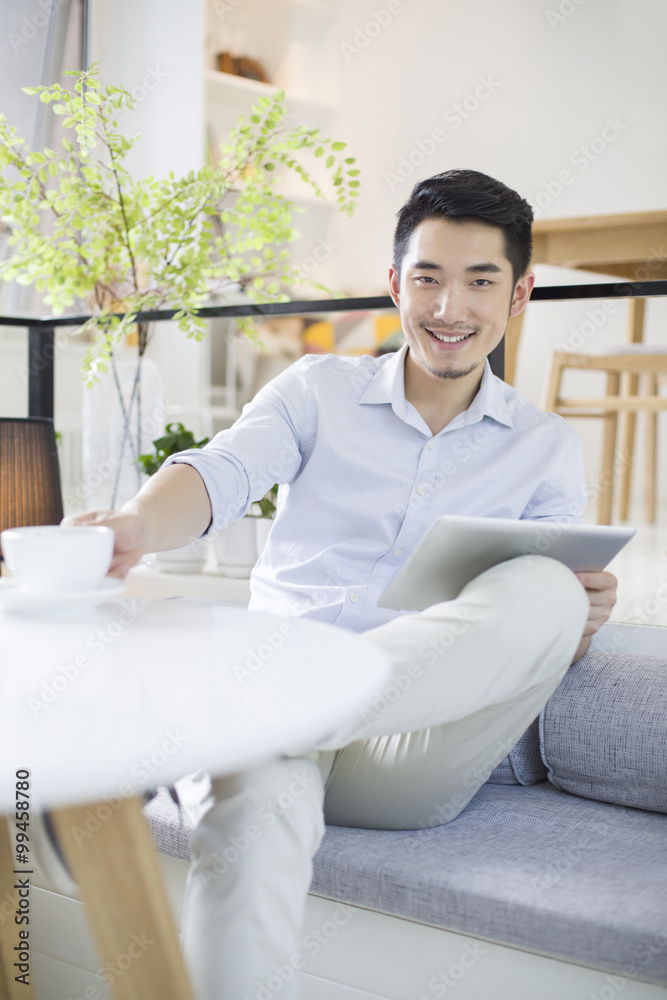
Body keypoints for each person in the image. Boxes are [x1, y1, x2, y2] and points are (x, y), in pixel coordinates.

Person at [69, 169, 617, 1000]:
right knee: (251, 800)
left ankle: (276, 710)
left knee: (547, 584)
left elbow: (522, 640)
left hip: (411, 753)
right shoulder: (317, 392)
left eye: (479, 281)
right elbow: (223, 471)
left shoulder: (542, 446)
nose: (448, 308)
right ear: (395, 283)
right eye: (427, 278)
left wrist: (573, 616)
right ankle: (269, 720)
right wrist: (137, 527)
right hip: (269, 729)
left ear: (519, 295)